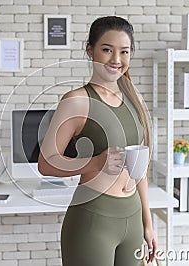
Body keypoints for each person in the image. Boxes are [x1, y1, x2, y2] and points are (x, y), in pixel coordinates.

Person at [38, 16, 156, 266]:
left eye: (124, 51)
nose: (116, 59)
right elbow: (46, 164)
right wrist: (95, 162)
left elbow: (140, 170)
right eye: (107, 50)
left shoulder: (133, 100)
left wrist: (148, 223)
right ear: (90, 50)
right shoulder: (77, 100)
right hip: (93, 218)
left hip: (133, 217)